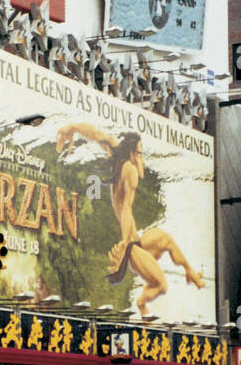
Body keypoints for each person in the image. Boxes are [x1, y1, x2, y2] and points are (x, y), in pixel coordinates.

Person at [56, 122, 205, 315]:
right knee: (161, 285)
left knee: (166, 239)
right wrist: (126, 243)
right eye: (140, 153)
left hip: (136, 240)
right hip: (132, 246)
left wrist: (73, 128)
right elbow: (126, 208)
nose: (142, 158)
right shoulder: (131, 172)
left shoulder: (116, 155)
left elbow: (95, 132)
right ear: (133, 154)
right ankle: (142, 304)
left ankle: (190, 273)